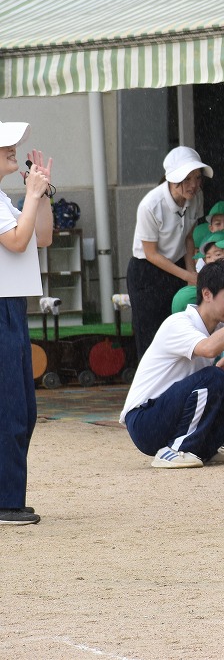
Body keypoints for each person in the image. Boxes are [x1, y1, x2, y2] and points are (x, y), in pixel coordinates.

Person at [120, 262, 224, 469]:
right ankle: (177, 450)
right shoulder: (179, 323)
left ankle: (203, 450)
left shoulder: (220, 327)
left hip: (167, 415)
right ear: (207, 294)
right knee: (213, 375)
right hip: (145, 422)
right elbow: (209, 349)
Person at [0, 122, 52, 525]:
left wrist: (42, 193)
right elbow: (17, 241)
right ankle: (6, 501)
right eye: (6, 146)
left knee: (22, 407)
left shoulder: (2, 198)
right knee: (10, 408)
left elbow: (42, 236)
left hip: (11, 304)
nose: (14, 149)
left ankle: (9, 496)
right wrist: (32, 194)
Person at [127, 146, 211, 359]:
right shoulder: (150, 205)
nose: (194, 185)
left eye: (197, 178)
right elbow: (151, 254)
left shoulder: (196, 197)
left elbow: (189, 237)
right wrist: (187, 275)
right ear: (173, 179)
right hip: (147, 270)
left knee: (180, 327)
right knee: (150, 334)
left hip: (179, 264)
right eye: (187, 179)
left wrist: (191, 272)